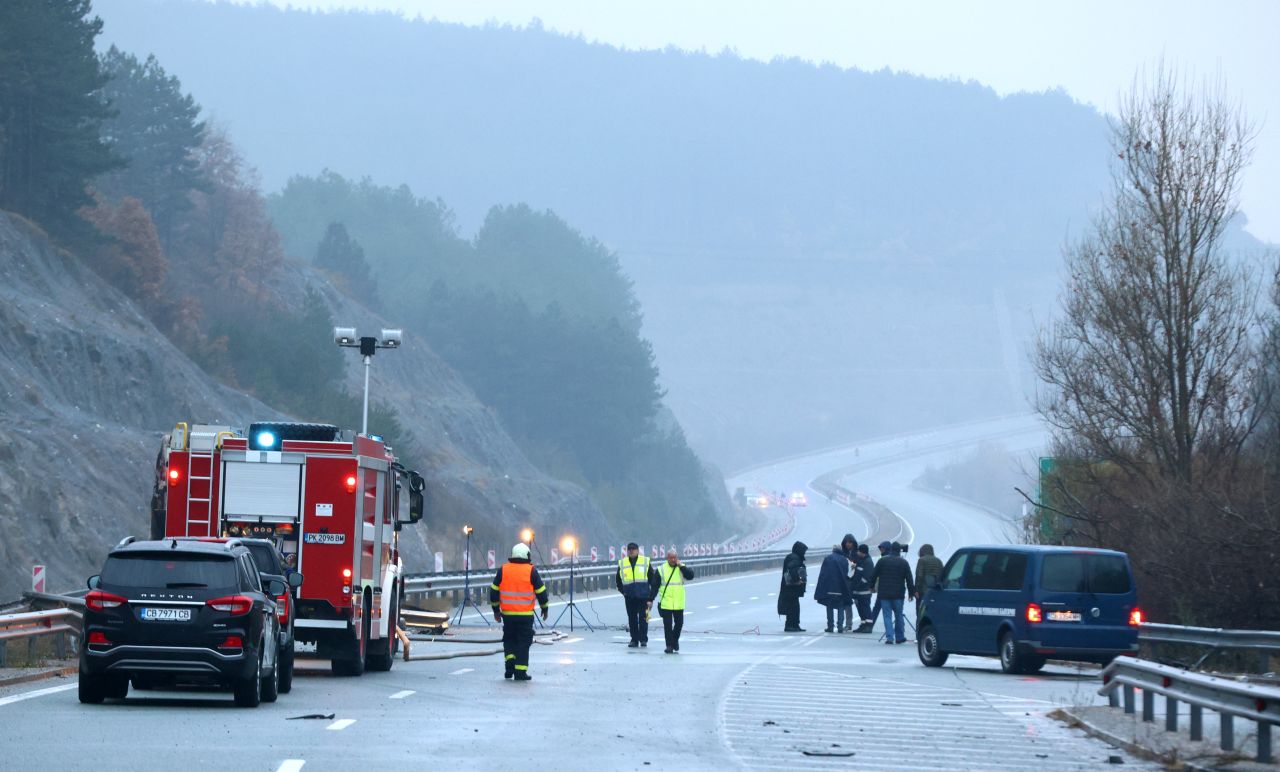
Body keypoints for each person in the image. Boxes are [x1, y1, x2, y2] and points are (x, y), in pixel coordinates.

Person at [490, 542, 550, 681]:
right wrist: (544, 608)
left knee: (509, 639)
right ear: (526, 555)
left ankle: (509, 666)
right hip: (525, 616)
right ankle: (520, 672)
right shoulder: (531, 570)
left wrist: (496, 611)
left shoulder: (503, 570)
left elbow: (493, 590)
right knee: (523, 642)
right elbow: (541, 591)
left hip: (508, 616)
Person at [868, 540, 915, 644]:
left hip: (884, 594)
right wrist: (911, 593)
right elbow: (909, 579)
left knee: (887, 616)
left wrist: (871, 587)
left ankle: (889, 637)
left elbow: (874, 574)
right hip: (898, 595)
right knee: (898, 615)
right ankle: (899, 637)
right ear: (899, 551)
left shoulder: (882, 561)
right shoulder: (903, 562)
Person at [616, 542, 659, 647]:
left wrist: (651, 598)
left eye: (633, 549)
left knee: (644, 618)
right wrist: (624, 592)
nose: (631, 551)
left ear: (637, 550)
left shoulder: (645, 562)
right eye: (629, 549)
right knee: (632, 619)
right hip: (630, 597)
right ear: (627, 551)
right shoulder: (623, 563)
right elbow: (618, 580)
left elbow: (652, 581)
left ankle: (643, 639)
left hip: (644, 596)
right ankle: (634, 639)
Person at [656, 550, 695, 653]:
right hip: (666, 602)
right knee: (667, 625)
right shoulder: (661, 569)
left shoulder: (681, 567)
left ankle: (674, 640)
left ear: (677, 558)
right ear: (667, 558)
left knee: (679, 624)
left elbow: (690, 576)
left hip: (678, 602)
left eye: (674, 557)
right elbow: (655, 585)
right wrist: (650, 599)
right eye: (671, 557)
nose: (673, 560)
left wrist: (681, 566)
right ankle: (669, 645)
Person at [814, 544, 852, 633]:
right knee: (840, 607)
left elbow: (823, 574)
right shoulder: (844, 560)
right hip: (841, 587)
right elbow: (846, 574)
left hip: (829, 588)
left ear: (833, 550)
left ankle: (830, 626)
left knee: (829, 607)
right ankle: (840, 627)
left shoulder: (828, 558)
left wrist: (821, 588)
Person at [776, 541, 808, 632]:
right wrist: (798, 580)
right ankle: (791, 625)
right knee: (792, 607)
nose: (804, 553)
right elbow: (793, 570)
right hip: (791, 588)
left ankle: (794, 624)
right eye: (803, 551)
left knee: (794, 606)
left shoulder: (792, 557)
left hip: (790, 588)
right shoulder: (794, 558)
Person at [914, 543, 945, 620]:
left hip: (923, 591)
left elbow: (919, 576)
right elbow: (942, 576)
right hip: (936, 592)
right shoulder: (939, 561)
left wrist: (916, 590)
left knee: (920, 612)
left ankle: (920, 629)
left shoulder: (922, 560)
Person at [851, 543, 875, 633]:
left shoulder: (868, 562)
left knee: (865, 608)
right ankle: (863, 624)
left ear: (862, 552)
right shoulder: (861, 561)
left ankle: (868, 626)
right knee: (861, 609)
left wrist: (858, 585)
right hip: (858, 591)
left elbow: (866, 577)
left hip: (864, 591)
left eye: (858, 551)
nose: (857, 553)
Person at [839, 534, 858, 632]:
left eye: (850, 542)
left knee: (858, 603)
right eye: (846, 542)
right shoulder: (843, 554)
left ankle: (864, 621)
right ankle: (847, 624)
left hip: (855, 582)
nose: (848, 544)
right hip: (845, 581)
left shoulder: (857, 554)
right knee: (845, 603)